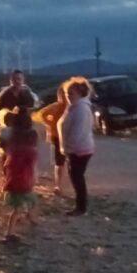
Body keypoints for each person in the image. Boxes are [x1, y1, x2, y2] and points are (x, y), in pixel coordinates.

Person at [0, 108, 38, 241]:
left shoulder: (13, 149)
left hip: (14, 178)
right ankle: (10, 233)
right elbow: (31, 166)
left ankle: (30, 217)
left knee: (27, 200)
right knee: (20, 206)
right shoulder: (30, 151)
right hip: (24, 180)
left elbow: (7, 163)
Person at [58, 77, 95, 216]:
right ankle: (80, 206)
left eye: (71, 94)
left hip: (79, 149)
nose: (68, 96)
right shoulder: (74, 107)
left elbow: (77, 132)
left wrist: (68, 150)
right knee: (76, 177)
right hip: (75, 149)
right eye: (67, 93)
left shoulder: (81, 109)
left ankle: (81, 207)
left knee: (77, 178)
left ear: (80, 93)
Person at [32, 84, 67, 192]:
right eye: (61, 95)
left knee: (69, 162)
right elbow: (42, 114)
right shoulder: (55, 106)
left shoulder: (71, 107)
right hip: (56, 137)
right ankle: (58, 185)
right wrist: (49, 123)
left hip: (70, 137)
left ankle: (67, 182)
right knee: (59, 161)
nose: (64, 97)